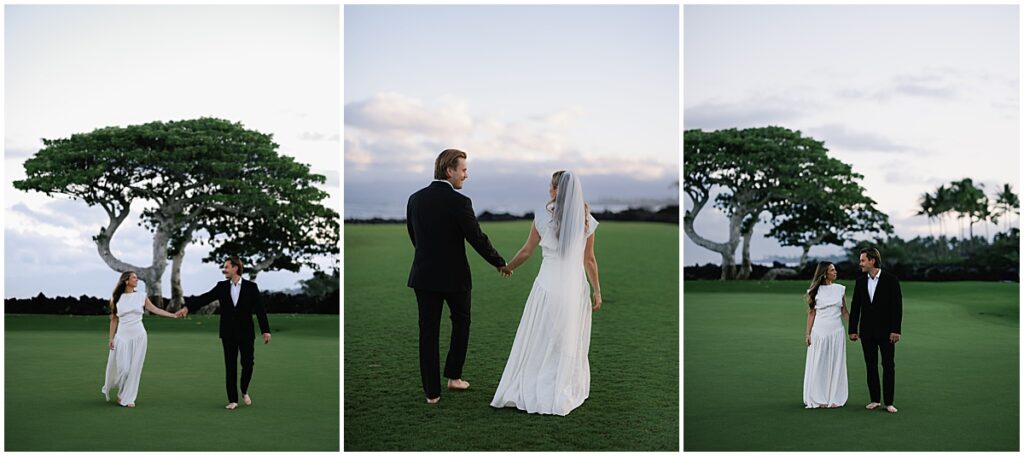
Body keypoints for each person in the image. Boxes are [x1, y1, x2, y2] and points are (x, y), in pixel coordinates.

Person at [490, 170, 602, 416]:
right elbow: (589, 260)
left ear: (554, 190)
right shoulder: (586, 220)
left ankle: (536, 378)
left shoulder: (542, 216)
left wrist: (507, 267)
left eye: (550, 187)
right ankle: (560, 382)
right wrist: (597, 290)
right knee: (567, 338)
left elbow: (526, 252)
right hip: (574, 287)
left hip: (547, 285)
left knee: (541, 334)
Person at [406, 149, 508, 405]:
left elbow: (414, 237)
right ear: (449, 170)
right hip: (455, 279)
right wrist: (500, 262)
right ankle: (453, 377)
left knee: (427, 333)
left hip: (423, 276)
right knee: (461, 324)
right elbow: (477, 238)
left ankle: (432, 393)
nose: (466, 175)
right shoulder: (460, 202)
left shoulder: (414, 199)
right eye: (463, 169)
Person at [176, 257, 272, 410]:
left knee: (248, 364)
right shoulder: (221, 287)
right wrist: (187, 308)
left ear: (235, 268)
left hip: (246, 332)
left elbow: (260, 309)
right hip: (228, 333)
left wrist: (265, 330)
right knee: (230, 366)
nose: (224, 270)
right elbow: (205, 298)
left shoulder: (251, 287)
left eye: (227, 267)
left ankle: (244, 389)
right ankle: (232, 400)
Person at [102, 271, 179, 407]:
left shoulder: (141, 296)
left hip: (139, 336)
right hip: (122, 337)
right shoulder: (116, 298)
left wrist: (172, 315)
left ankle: (127, 397)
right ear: (126, 280)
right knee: (123, 369)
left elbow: (155, 309)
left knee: (134, 369)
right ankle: (122, 391)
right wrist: (111, 338)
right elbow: (114, 319)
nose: (137, 280)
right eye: (134, 278)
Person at [849, 247, 903, 414]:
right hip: (866, 332)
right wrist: (852, 329)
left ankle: (889, 402)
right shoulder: (860, 281)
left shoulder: (891, 280)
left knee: (888, 365)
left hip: (887, 332)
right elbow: (855, 307)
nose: (861, 264)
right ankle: (874, 400)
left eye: (863, 260)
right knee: (870, 366)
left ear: (872, 260)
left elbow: (897, 307)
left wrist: (896, 330)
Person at [802, 262, 849, 408]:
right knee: (819, 364)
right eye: (832, 270)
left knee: (836, 363)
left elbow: (844, 311)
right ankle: (818, 397)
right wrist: (807, 334)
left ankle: (834, 396)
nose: (835, 272)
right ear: (825, 273)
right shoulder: (813, 292)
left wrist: (854, 329)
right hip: (819, 332)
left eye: (835, 269)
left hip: (837, 332)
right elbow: (811, 313)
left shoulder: (840, 289)